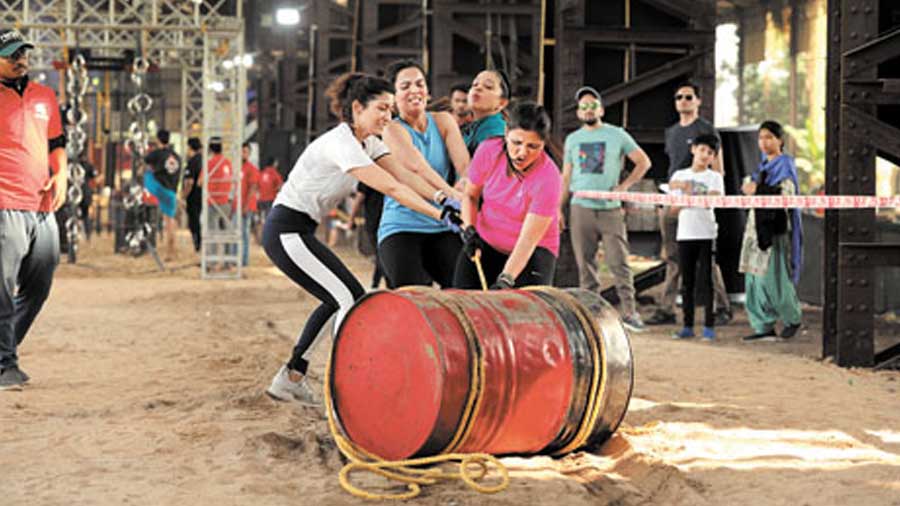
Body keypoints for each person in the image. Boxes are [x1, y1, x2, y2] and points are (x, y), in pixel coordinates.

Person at [262, 72, 461, 406]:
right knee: (349, 299)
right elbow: (392, 187)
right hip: (285, 231)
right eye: (381, 108)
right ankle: (346, 388)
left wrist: (445, 200)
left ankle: (291, 377)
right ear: (357, 108)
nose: (387, 116)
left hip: (301, 230)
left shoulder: (370, 143)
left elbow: (407, 175)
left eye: (389, 110)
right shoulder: (342, 142)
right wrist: (442, 215)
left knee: (341, 297)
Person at [0, 29, 67, 390]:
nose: (20, 59)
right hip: (3, 203)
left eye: (23, 53)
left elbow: (57, 144)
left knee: (39, 285)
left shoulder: (45, 96)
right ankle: (4, 363)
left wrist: (62, 175)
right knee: (2, 287)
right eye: (11, 54)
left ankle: (3, 350)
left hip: (42, 205)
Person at [561, 86, 651, 332]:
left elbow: (643, 161)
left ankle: (630, 312)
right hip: (581, 207)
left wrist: (624, 186)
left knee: (619, 262)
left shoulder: (617, 135)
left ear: (600, 109)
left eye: (592, 105)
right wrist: (559, 208)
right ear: (579, 113)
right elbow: (566, 176)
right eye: (583, 106)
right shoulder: (573, 139)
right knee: (585, 265)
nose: (588, 110)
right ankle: (592, 316)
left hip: (610, 209)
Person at [647, 81, 733, 326]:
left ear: (698, 101)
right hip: (673, 201)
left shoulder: (706, 129)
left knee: (707, 259)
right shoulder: (672, 132)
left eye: (688, 97)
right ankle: (666, 308)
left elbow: (718, 169)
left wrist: (708, 197)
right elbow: (673, 167)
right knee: (672, 257)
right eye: (679, 97)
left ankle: (722, 306)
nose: (683, 101)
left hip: (698, 207)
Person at [378, 59, 470, 288]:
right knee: (412, 296)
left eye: (419, 84)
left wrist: (462, 187)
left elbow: (465, 167)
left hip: (442, 225)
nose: (414, 91)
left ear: (427, 91)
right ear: (393, 96)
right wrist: (450, 195)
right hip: (401, 226)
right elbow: (418, 167)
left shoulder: (444, 121)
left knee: (465, 289)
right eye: (405, 86)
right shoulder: (392, 129)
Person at [453, 101, 561, 289]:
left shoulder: (549, 177)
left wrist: (507, 278)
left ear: (543, 144)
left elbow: (528, 240)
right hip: (486, 241)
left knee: (522, 309)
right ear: (506, 134)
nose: (522, 153)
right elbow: (470, 196)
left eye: (532, 146)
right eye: (516, 143)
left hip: (532, 250)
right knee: (461, 298)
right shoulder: (488, 150)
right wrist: (469, 229)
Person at [739, 121, 803, 342]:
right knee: (753, 278)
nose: (764, 143)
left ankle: (792, 318)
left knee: (773, 277)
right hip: (755, 227)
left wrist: (757, 189)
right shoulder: (762, 166)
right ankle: (762, 325)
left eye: (769, 137)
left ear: (780, 140)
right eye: (760, 138)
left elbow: (787, 194)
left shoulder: (785, 165)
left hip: (773, 229)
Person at [667, 135, 724, 341]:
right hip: (685, 233)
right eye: (702, 150)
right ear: (693, 150)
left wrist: (689, 192)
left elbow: (714, 200)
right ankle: (687, 325)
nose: (704, 155)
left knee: (707, 279)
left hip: (707, 232)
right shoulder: (679, 175)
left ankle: (709, 325)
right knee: (687, 281)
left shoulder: (714, 177)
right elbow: (673, 209)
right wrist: (685, 198)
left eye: (710, 153)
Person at [144, 129, 182, 260]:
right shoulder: (177, 156)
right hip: (172, 190)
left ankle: (170, 252)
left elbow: (146, 159)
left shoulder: (157, 154)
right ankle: (173, 249)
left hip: (161, 188)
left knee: (147, 175)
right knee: (171, 221)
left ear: (158, 139)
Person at [461, 69, 510, 156]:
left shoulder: (494, 130)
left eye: (488, 86)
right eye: (474, 84)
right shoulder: (472, 127)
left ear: (502, 103)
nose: (478, 88)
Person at [201, 137, 234, 268]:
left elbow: (200, 181)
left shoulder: (210, 163)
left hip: (212, 202)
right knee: (226, 233)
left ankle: (211, 261)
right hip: (226, 202)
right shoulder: (227, 162)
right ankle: (227, 261)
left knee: (212, 233)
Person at [235, 143, 260, 267]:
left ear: (249, 154)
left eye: (245, 151)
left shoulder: (252, 169)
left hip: (246, 206)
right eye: (241, 151)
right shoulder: (235, 167)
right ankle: (235, 258)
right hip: (235, 206)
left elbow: (253, 187)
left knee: (244, 233)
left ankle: (244, 260)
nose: (242, 154)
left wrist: (245, 206)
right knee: (235, 233)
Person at [182, 137, 203, 252]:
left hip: (194, 197)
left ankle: (198, 244)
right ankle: (199, 243)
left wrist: (184, 196)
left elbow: (189, 182)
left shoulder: (192, 161)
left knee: (194, 222)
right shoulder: (203, 160)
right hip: (202, 196)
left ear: (190, 148)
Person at [257, 157, 283, 223]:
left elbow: (257, 185)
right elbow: (280, 186)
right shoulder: (274, 173)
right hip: (270, 199)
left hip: (261, 200)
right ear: (274, 164)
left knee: (261, 220)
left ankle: (260, 232)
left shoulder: (262, 172)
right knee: (269, 220)